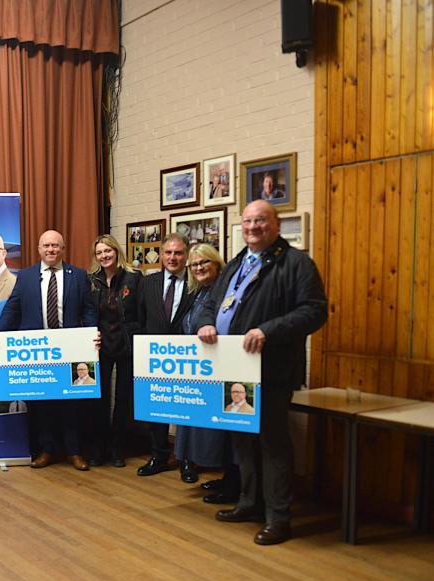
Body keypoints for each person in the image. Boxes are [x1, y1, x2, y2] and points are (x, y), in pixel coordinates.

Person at [199, 200, 327, 545]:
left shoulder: (296, 263)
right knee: (242, 439)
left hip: (271, 370)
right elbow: (211, 304)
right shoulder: (237, 263)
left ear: (276, 225)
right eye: (248, 221)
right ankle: (249, 502)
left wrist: (268, 330)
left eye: (261, 220)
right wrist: (206, 323)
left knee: (272, 444)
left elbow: (314, 311)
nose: (253, 227)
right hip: (233, 368)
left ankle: (278, 518)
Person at [0, 229, 97, 471]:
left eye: (55, 246)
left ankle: (74, 451)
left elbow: (88, 309)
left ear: (63, 248)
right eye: (46, 246)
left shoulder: (78, 276)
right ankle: (47, 449)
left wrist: (91, 335)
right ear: (39, 249)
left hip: (70, 349)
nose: (51, 250)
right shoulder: (26, 276)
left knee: (71, 403)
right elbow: (13, 309)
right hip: (38, 352)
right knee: (42, 403)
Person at [171, 244, 238, 504]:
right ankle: (227, 480)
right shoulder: (198, 294)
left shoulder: (226, 292)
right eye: (194, 264)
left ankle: (234, 484)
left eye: (204, 263)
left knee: (227, 432)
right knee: (213, 430)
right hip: (201, 372)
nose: (199, 268)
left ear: (217, 264)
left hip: (223, 370)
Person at [136, 233, 197, 480]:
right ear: (161, 255)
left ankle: (187, 460)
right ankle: (159, 456)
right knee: (156, 410)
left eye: (178, 253)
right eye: (168, 253)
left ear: (186, 256)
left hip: (187, 359)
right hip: (154, 356)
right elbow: (139, 319)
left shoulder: (197, 283)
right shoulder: (148, 283)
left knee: (188, 411)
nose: (173, 258)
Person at [86, 235, 141, 468]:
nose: (104, 256)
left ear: (117, 251)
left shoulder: (134, 278)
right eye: (100, 253)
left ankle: (118, 447)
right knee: (100, 399)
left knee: (123, 399)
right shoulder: (91, 281)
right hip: (100, 347)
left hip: (127, 345)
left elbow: (142, 311)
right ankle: (99, 447)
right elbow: (86, 312)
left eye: (108, 251)